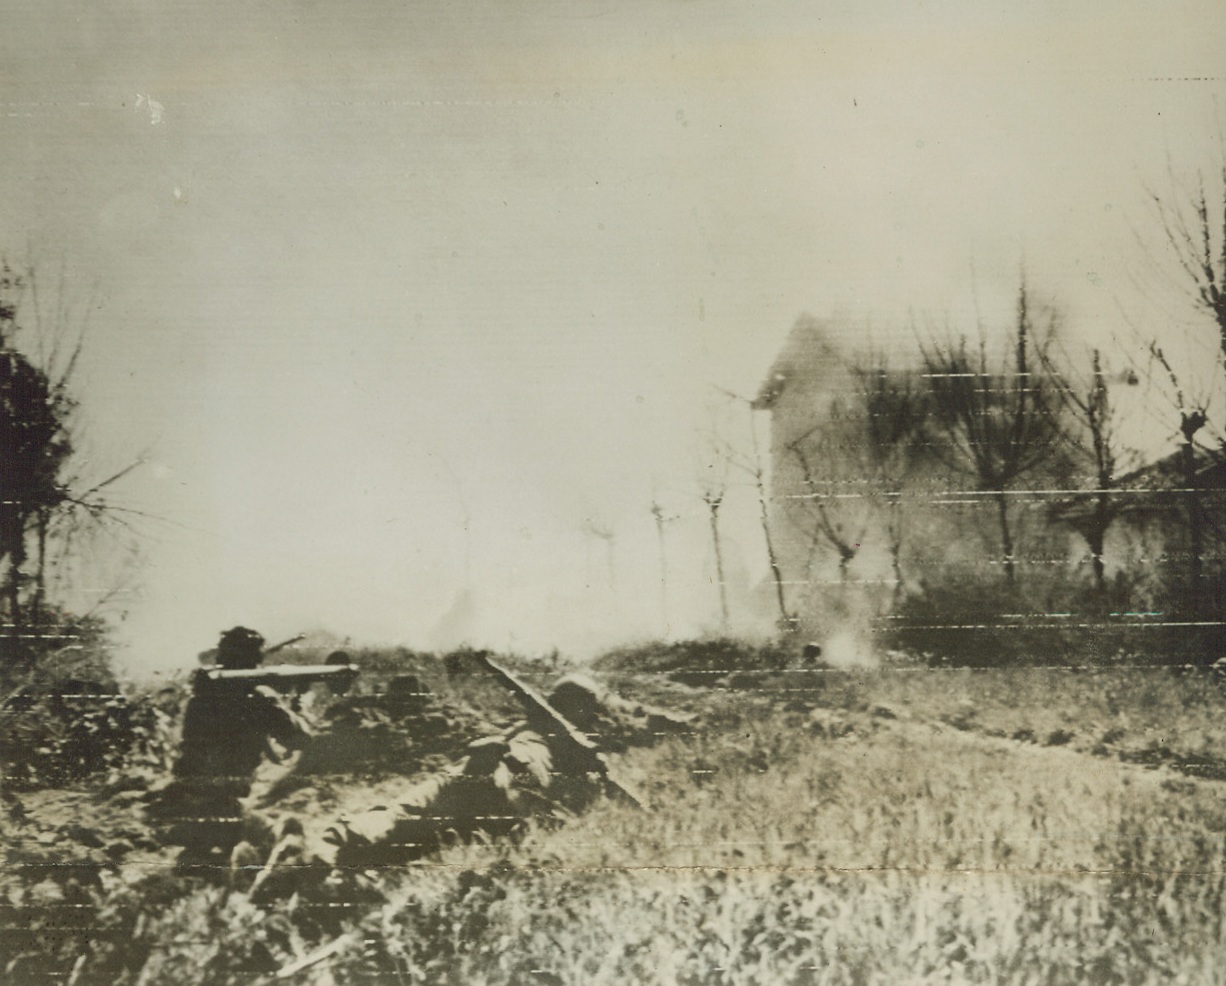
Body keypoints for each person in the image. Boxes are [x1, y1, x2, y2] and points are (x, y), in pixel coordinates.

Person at [147, 627, 311, 867]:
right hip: (227, 806)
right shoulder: (257, 698)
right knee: (288, 836)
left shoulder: (200, 699)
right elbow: (299, 739)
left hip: (188, 802)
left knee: (200, 862)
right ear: (255, 659)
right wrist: (297, 704)